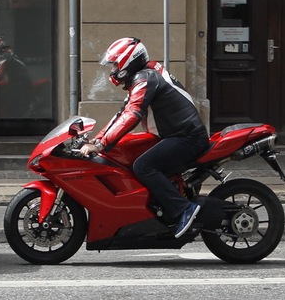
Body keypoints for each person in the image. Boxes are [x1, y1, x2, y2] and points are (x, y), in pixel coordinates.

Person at [80, 37, 210, 238]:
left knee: (144, 166)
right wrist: (96, 141)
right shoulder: (143, 77)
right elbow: (122, 114)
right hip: (174, 135)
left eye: (115, 64)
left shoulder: (145, 78)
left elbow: (132, 114)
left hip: (187, 137)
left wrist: (100, 144)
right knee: (129, 152)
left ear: (127, 61)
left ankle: (184, 209)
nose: (113, 70)